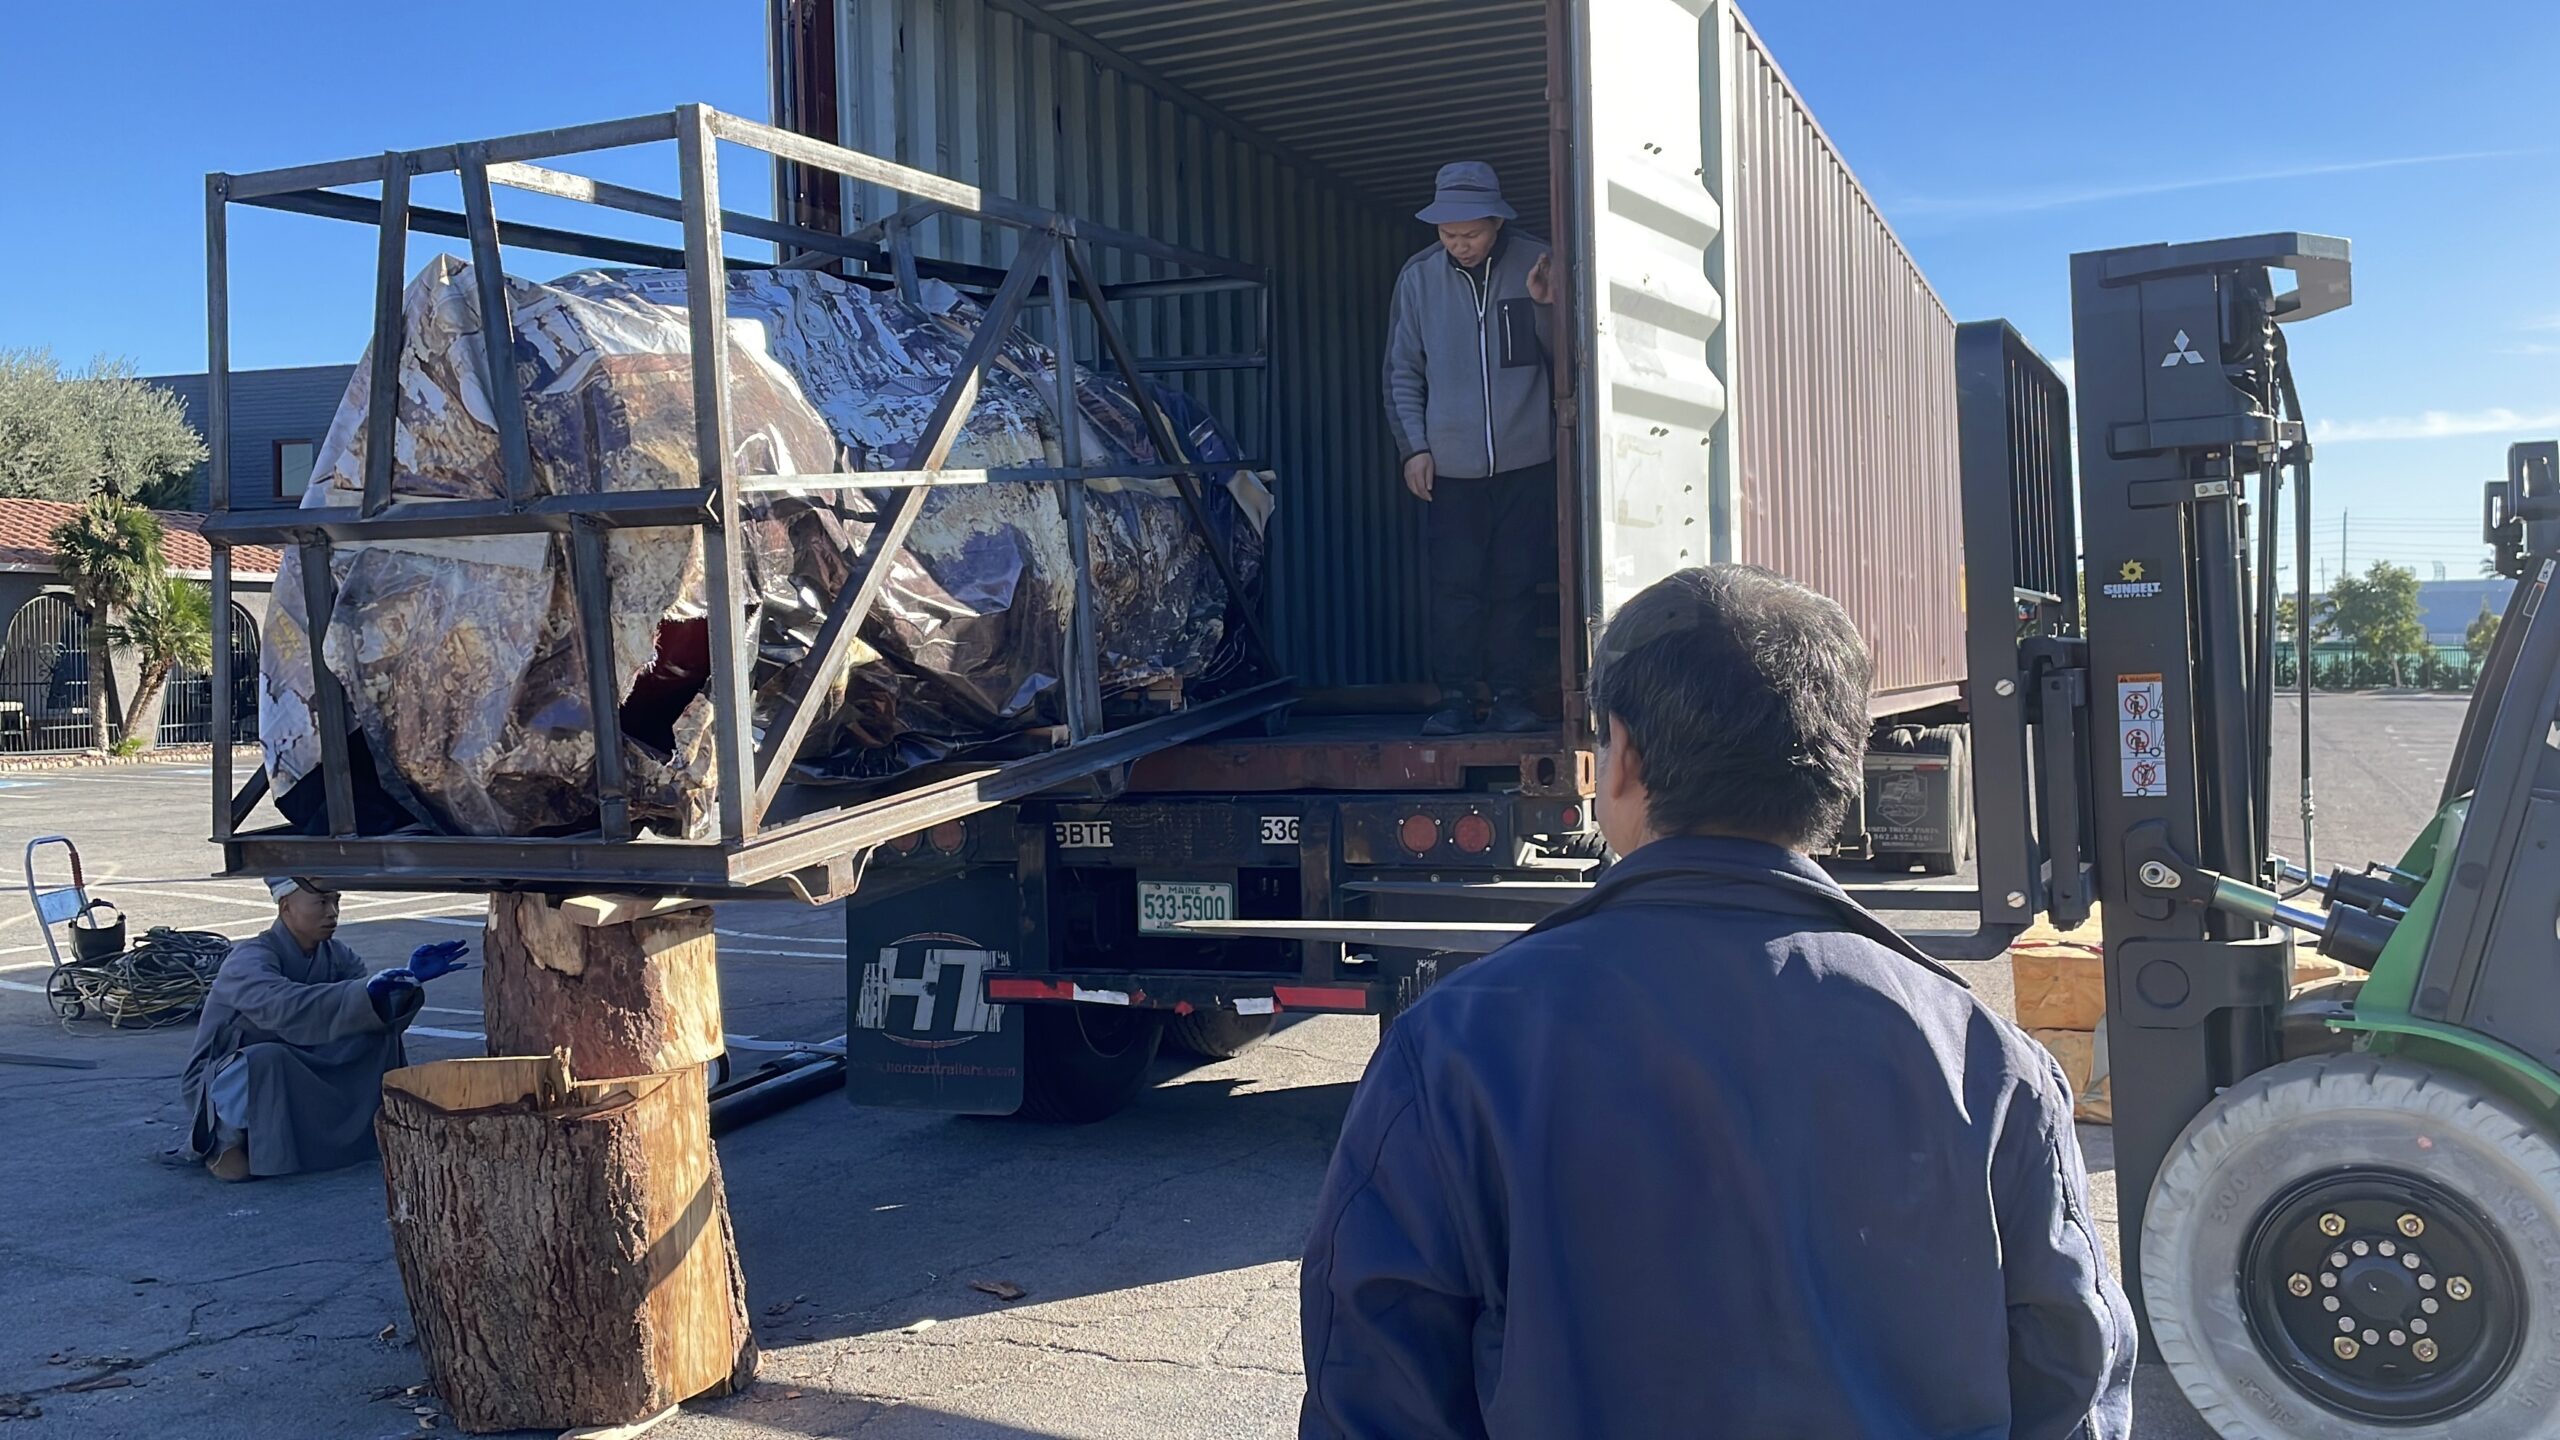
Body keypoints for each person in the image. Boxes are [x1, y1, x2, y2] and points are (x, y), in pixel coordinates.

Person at [1299, 565, 2136, 1439]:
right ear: (1841, 773)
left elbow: (1373, 1389)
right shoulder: (1987, 1064)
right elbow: (2069, 1382)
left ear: (1622, 757)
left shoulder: (1458, 1047)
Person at [1384, 160, 1559, 736]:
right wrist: (1414, 447)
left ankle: (1512, 698)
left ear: (1497, 221)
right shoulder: (1418, 278)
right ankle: (1455, 698)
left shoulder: (1538, 262)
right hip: (1451, 467)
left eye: (1472, 234)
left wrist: (1545, 306)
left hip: (1526, 462)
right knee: (1456, 589)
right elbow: (1402, 372)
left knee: (1515, 584)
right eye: (1448, 234)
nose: (1460, 245)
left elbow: (1576, 361)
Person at [179, 878, 471, 1181]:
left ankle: (377, 1128)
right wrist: (364, 993)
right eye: (321, 902)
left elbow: (363, 1008)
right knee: (266, 1059)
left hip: (302, 1054)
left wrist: (406, 982)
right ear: (285, 906)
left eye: (336, 901)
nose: (332, 912)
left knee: (378, 1034)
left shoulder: (338, 955)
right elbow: (284, 1006)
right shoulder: (249, 957)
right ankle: (228, 1139)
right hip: (225, 1072)